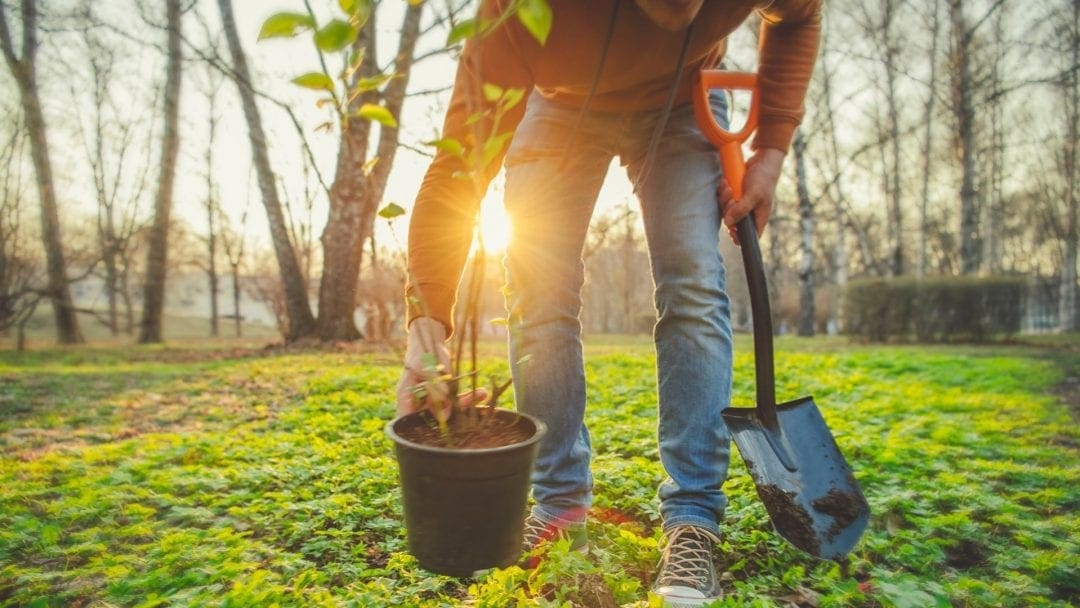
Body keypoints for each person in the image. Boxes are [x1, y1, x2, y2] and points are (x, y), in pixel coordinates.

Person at [396, 0, 821, 605]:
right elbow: (460, 163)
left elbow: (798, 17)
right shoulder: (518, 10)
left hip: (684, 101)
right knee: (538, 290)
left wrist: (772, 149)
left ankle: (693, 518)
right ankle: (560, 504)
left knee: (694, 284)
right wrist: (426, 324)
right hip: (557, 104)